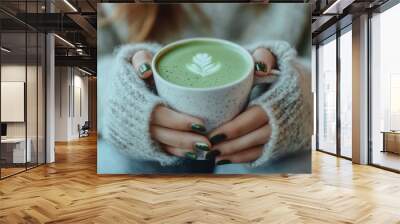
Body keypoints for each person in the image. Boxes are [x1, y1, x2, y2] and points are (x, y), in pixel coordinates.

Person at [98, 3, 313, 173]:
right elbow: (90, 64)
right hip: (147, 140)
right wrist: (115, 100)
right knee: (112, 163)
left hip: (265, 140)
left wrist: (303, 97)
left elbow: (331, 58)